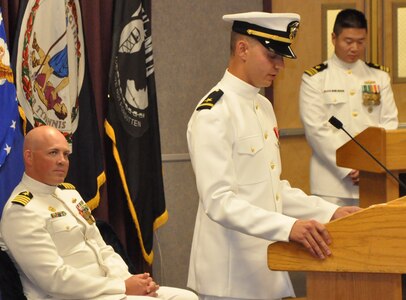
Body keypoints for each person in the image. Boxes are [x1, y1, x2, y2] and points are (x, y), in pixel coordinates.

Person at [186, 11, 359, 300]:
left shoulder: (263, 106)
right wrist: (289, 227)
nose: (279, 65)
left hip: (269, 267)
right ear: (242, 49)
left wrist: (330, 213)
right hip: (230, 277)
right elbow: (219, 201)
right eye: (271, 55)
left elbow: (271, 188)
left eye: (281, 57)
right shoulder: (214, 112)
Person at [0, 125, 197, 300]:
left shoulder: (70, 195)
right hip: (67, 296)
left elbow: (101, 248)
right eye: (53, 153)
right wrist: (121, 287)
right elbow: (54, 279)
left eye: (66, 154)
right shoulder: (22, 211)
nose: (62, 161)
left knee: (186, 297)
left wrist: (130, 281)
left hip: (106, 289)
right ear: (29, 156)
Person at [299, 8, 399, 206]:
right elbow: (317, 131)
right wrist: (349, 167)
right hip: (331, 183)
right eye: (348, 41)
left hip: (374, 178)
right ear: (334, 38)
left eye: (360, 42)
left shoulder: (379, 77)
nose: (354, 48)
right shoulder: (316, 79)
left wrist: (370, 165)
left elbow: (389, 123)